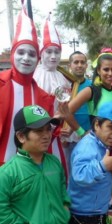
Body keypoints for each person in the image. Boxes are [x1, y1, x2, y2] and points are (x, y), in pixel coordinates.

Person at [0, 6, 53, 166]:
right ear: (12, 55)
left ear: (38, 59)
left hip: (31, 170)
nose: (26, 58)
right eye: (21, 52)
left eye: (31, 54)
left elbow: (46, 134)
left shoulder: (45, 97)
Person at [0, 105, 70, 223]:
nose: (47, 135)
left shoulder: (54, 162)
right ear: (21, 136)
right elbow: (2, 212)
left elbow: (63, 193)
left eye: (48, 129)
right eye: (38, 130)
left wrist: (65, 212)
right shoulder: (7, 173)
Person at [67, 102, 112, 224]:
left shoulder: (102, 145)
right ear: (97, 125)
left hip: (95, 212)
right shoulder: (87, 147)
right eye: (110, 127)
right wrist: (102, 167)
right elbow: (79, 174)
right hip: (83, 215)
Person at [33, 14, 72, 171]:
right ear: (42, 53)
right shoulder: (35, 76)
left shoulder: (63, 78)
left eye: (57, 52)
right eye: (49, 51)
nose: (53, 56)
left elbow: (67, 107)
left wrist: (66, 127)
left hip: (59, 136)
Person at [60, 48, 112, 138]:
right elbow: (66, 111)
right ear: (98, 71)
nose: (110, 73)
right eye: (106, 69)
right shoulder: (91, 90)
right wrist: (82, 132)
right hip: (96, 144)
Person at [61, 51, 92, 170]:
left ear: (86, 66)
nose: (79, 65)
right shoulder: (62, 86)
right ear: (70, 65)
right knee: (68, 171)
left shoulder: (93, 86)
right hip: (67, 138)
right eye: (76, 62)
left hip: (86, 135)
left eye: (82, 62)